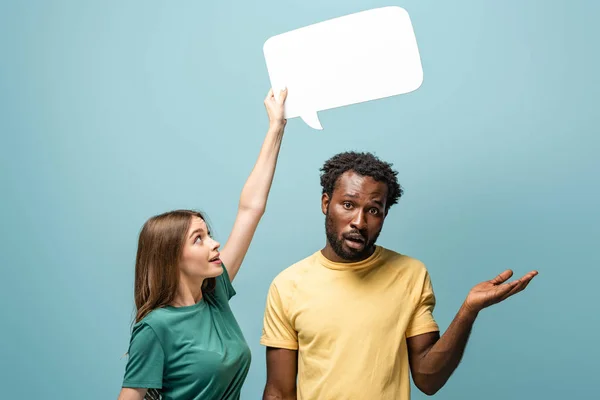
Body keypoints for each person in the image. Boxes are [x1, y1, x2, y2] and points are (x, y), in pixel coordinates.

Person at [260, 151, 538, 400]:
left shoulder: (409, 274)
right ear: (325, 203)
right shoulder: (288, 285)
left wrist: (468, 311)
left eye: (373, 210)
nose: (359, 221)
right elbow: (279, 392)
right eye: (348, 205)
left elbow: (428, 379)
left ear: (384, 215)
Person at [118, 88, 289, 400]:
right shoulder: (155, 328)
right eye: (199, 239)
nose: (214, 244)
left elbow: (251, 209)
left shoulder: (215, 294)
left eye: (208, 233)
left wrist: (276, 127)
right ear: (171, 258)